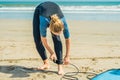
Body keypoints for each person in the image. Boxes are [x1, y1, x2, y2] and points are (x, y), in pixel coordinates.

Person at [33, 1, 70, 75]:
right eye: (55, 32)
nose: (59, 34)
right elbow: (44, 41)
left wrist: (67, 56)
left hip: (54, 9)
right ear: (50, 29)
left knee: (57, 39)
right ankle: (46, 63)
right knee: (37, 39)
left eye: (60, 32)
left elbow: (67, 40)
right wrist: (52, 52)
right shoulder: (43, 23)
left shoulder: (63, 23)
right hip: (40, 10)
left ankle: (60, 66)